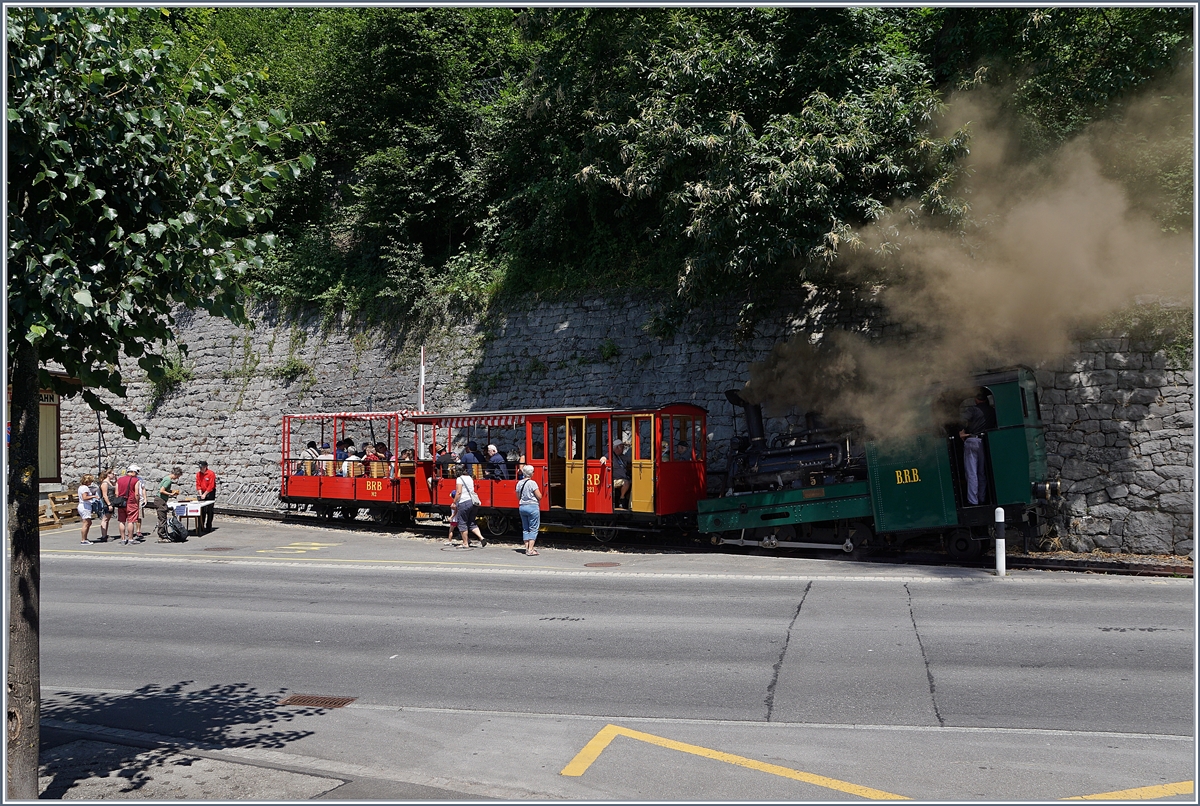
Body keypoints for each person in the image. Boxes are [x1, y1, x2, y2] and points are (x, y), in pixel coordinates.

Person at [959, 389, 997, 506]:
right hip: (984, 442)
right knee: (981, 473)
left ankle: (972, 501)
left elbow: (961, 420)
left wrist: (961, 432)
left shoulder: (973, 409)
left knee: (971, 473)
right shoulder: (992, 411)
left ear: (976, 399)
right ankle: (982, 498)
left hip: (972, 440)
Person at [453, 470, 486, 549]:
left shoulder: (459, 479)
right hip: (472, 502)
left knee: (462, 522)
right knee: (471, 522)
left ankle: (465, 543)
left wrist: (454, 502)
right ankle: (481, 537)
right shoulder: (469, 478)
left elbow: (459, 492)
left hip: (464, 502)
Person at [150, 467, 183, 542]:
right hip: (161, 500)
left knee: (162, 518)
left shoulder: (166, 478)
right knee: (163, 519)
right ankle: (162, 536)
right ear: (176, 474)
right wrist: (171, 494)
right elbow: (162, 491)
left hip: (160, 500)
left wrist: (172, 491)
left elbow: (164, 489)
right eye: (178, 476)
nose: (177, 478)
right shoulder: (168, 480)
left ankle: (163, 534)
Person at [516, 465, 542, 555]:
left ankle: (527, 548)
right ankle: (531, 550)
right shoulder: (532, 483)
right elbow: (539, 496)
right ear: (531, 473)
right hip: (532, 507)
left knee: (525, 528)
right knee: (533, 528)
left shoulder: (519, 483)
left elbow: (518, 496)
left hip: (522, 507)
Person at [115, 465, 143, 545]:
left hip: (121, 502)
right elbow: (137, 494)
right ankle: (130, 539)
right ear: (134, 472)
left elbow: (116, 493)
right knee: (131, 521)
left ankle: (123, 539)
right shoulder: (136, 480)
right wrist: (137, 503)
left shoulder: (119, 480)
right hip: (131, 502)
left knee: (122, 521)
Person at [606, 440, 631, 509]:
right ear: (616, 447)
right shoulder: (611, 455)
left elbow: (631, 460)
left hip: (624, 477)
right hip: (614, 480)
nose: (623, 449)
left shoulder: (622, 456)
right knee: (626, 483)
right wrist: (603, 459)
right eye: (621, 447)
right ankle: (621, 500)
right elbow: (605, 457)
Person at [195, 460, 217, 534]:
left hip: (210, 492)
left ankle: (208, 526)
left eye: (202, 467)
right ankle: (201, 525)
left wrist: (205, 494)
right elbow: (198, 484)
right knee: (202, 509)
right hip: (203, 491)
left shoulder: (211, 474)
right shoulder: (198, 474)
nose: (201, 469)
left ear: (205, 467)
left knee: (209, 509)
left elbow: (211, 485)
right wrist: (201, 493)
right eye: (200, 467)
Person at [77, 473, 100, 544]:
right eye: (90, 481)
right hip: (85, 506)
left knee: (89, 522)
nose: (91, 483)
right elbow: (85, 497)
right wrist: (93, 496)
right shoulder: (85, 488)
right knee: (86, 523)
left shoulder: (81, 487)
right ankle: (83, 539)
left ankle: (85, 538)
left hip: (83, 505)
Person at [97, 468, 117, 541]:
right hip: (107, 503)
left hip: (112, 502)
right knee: (105, 519)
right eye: (112, 474)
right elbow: (105, 495)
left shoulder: (111, 482)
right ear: (108, 474)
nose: (113, 475)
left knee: (107, 519)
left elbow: (117, 485)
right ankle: (103, 536)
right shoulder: (105, 483)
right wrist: (109, 504)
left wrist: (116, 477)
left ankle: (105, 534)